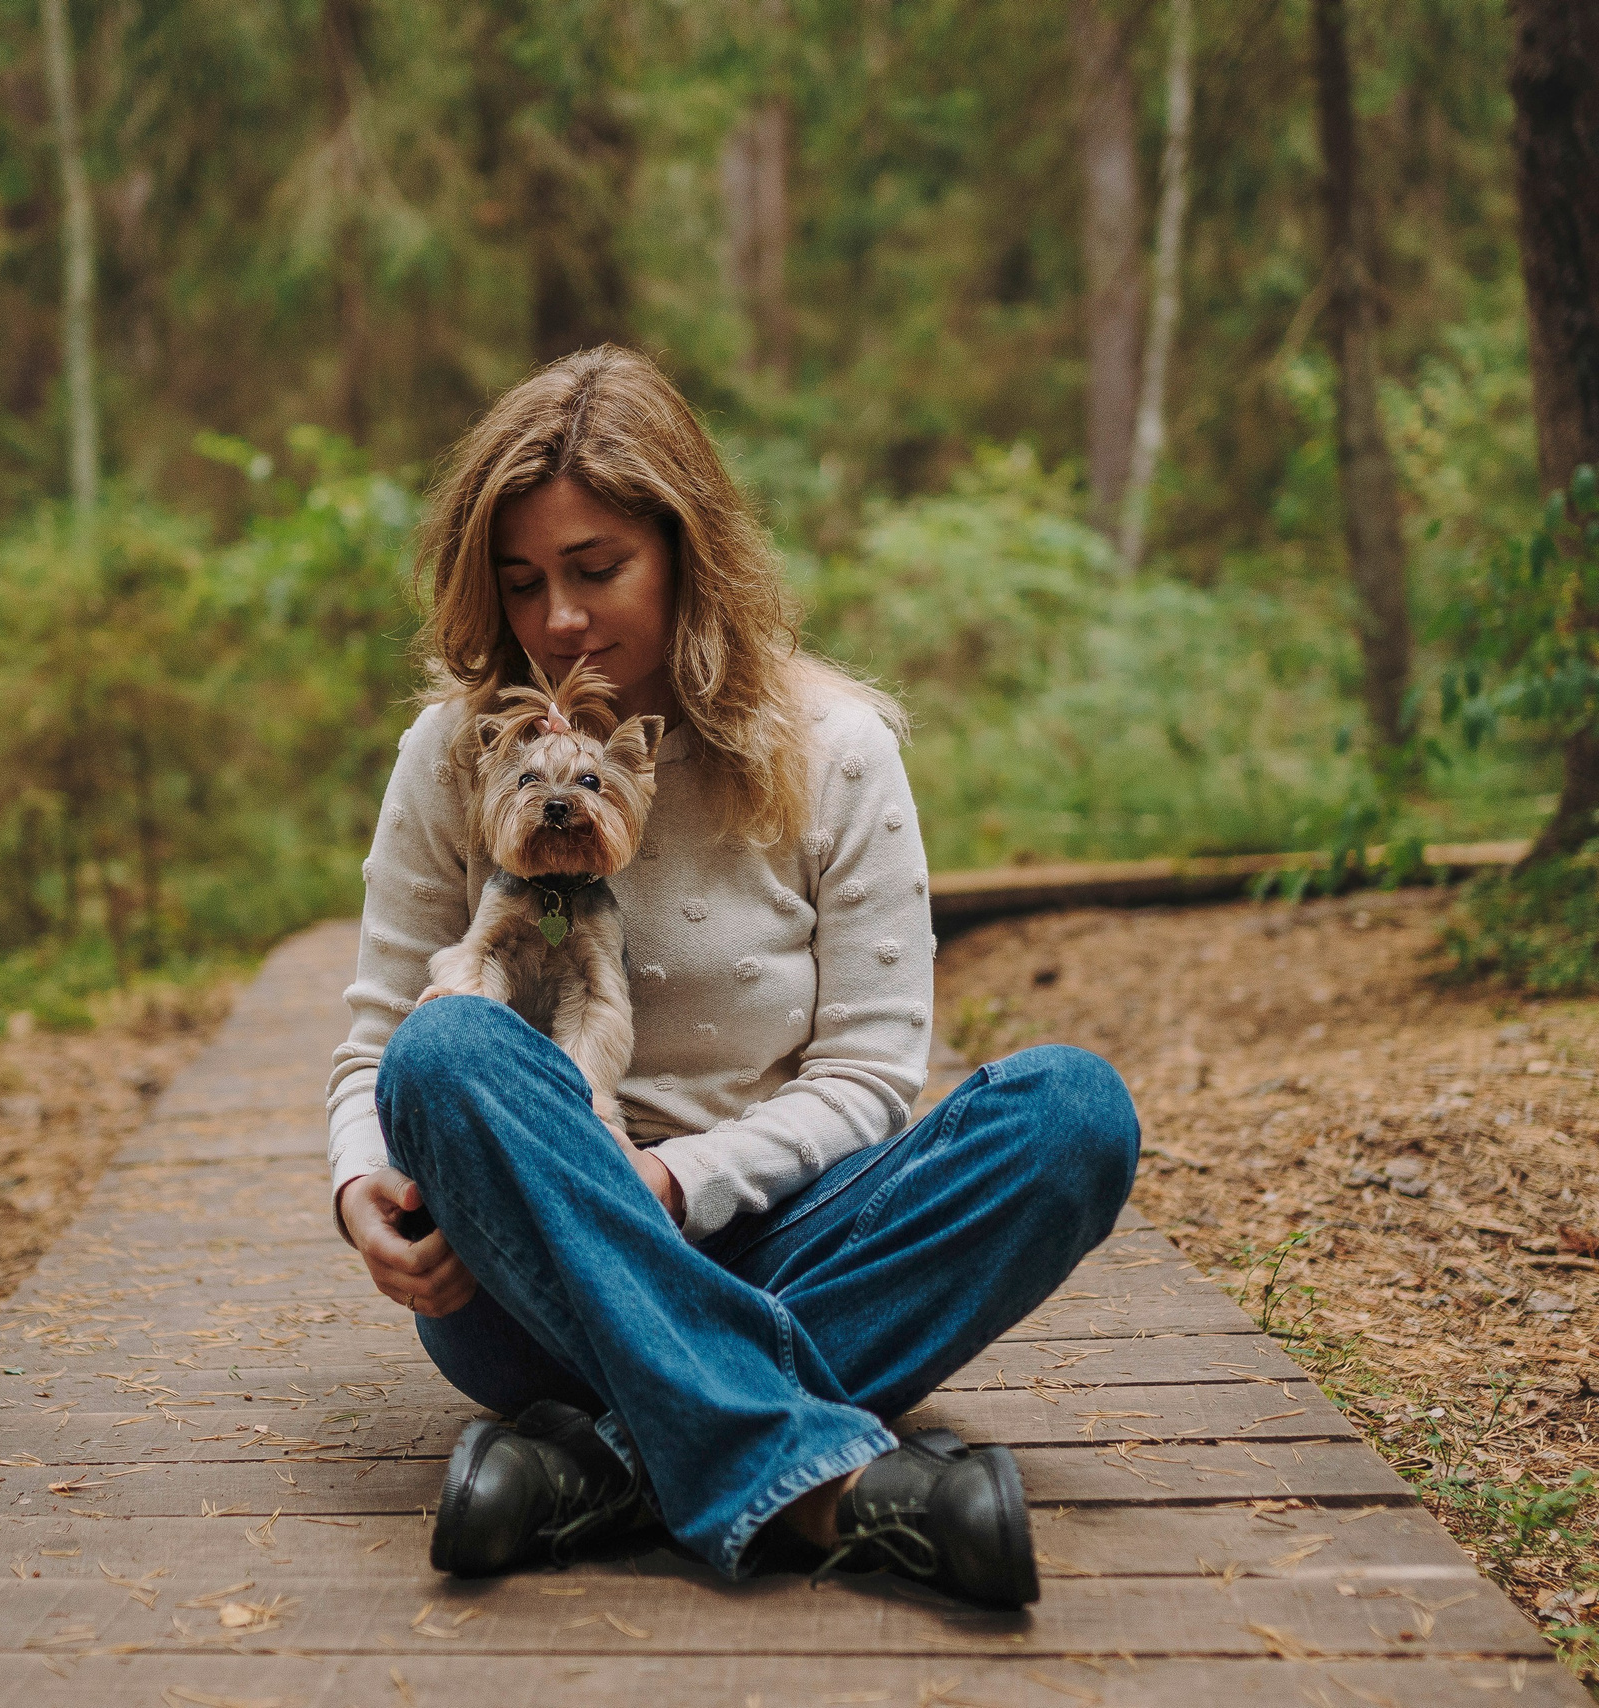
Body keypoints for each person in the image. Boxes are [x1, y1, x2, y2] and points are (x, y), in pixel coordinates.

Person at [326, 346, 1141, 1608]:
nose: (557, 620)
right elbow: (380, 1039)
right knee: (445, 1046)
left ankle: (602, 1459)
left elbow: (872, 1076)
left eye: (597, 570)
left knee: (1071, 1114)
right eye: (523, 580)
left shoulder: (833, 748)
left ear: (686, 552)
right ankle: (825, 1482)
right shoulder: (453, 750)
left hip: (787, 1229)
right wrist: (354, 1193)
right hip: (523, 1270)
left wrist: (674, 1181)